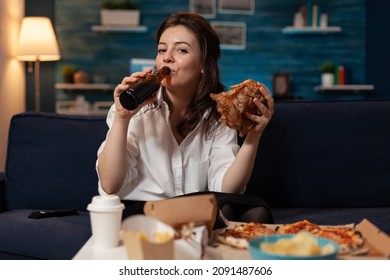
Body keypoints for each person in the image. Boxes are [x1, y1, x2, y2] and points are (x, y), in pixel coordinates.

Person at [96, 12, 275, 227]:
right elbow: (109, 184)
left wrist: (253, 137)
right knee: (225, 210)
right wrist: (123, 118)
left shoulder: (218, 114)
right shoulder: (134, 107)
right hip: (138, 212)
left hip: (192, 213)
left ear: (202, 65)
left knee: (252, 208)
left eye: (181, 50)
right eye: (162, 50)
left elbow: (227, 189)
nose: (167, 57)